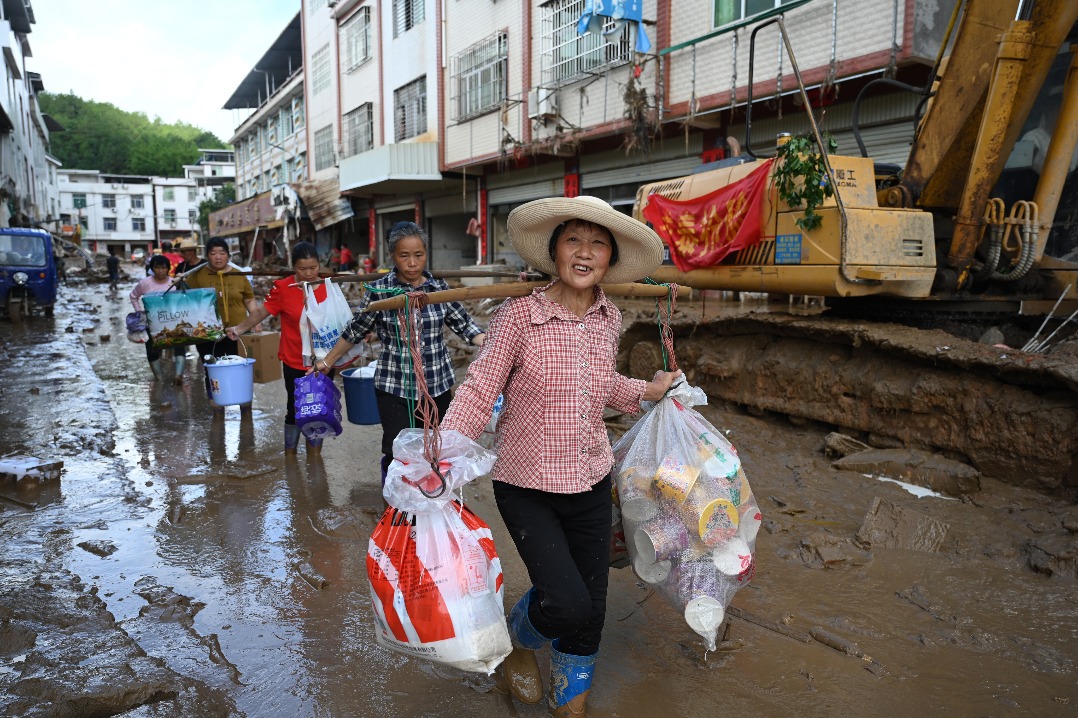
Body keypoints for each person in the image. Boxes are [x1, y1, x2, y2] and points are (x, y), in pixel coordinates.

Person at [438, 196, 680, 716]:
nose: (585, 252)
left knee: (590, 610)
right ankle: (517, 643)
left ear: (610, 260)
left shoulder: (607, 318)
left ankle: (569, 701)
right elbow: (481, 389)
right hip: (527, 486)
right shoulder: (519, 316)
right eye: (574, 239)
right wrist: (444, 449)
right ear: (554, 251)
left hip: (591, 481)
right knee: (566, 603)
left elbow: (601, 384)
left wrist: (648, 390)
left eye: (598, 243)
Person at [312, 222, 486, 482]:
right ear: (393, 256)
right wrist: (327, 361)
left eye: (419, 255)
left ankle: (432, 509)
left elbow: (466, 326)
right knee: (398, 454)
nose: (413, 263)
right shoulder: (380, 291)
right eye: (404, 256)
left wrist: (491, 342)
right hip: (394, 387)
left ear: (426, 254)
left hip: (436, 386)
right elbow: (355, 331)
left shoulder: (438, 288)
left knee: (439, 451)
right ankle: (397, 512)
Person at [225, 241, 330, 454]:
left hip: (324, 360)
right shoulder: (284, 288)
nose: (309, 273)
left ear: (320, 265)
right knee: (294, 408)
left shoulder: (331, 288)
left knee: (319, 409)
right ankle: (290, 455)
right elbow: (262, 312)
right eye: (302, 269)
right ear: (294, 267)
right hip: (294, 359)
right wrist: (239, 329)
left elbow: (341, 322)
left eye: (313, 268)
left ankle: (315, 456)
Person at [184, 237, 257, 410]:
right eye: (213, 253)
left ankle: (244, 405)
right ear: (207, 256)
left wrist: (255, 320)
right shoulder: (196, 276)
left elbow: (249, 299)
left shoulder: (239, 275)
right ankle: (217, 407)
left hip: (237, 331)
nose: (218, 257)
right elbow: (186, 300)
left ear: (228, 255)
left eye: (222, 253)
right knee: (211, 369)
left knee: (239, 367)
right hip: (207, 334)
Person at [130, 254, 185, 382]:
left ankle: (178, 376)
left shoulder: (174, 282)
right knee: (152, 349)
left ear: (168, 269)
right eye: (157, 268)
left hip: (172, 321)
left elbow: (180, 301)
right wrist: (140, 312)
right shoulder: (145, 283)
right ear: (152, 268)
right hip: (152, 322)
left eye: (163, 268)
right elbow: (133, 296)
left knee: (180, 345)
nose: (160, 271)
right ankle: (159, 378)